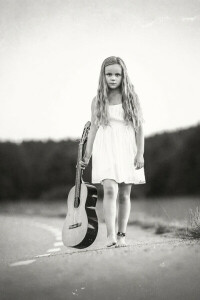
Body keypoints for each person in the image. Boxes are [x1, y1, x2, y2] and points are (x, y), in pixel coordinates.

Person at [79, 56, 146, 248]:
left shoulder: (131, 98)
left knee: (124, 195)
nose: (113, 78)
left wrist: (140, 153)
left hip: (127, 147)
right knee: (109, 189)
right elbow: (93, 128)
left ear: (123, 75)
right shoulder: (97, 100)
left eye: (117, 74)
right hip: (105, 147)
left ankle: (122, 235)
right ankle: (110, 236)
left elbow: (140, 127)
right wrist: (86, 155)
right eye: (109, 74)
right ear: (103, 76)